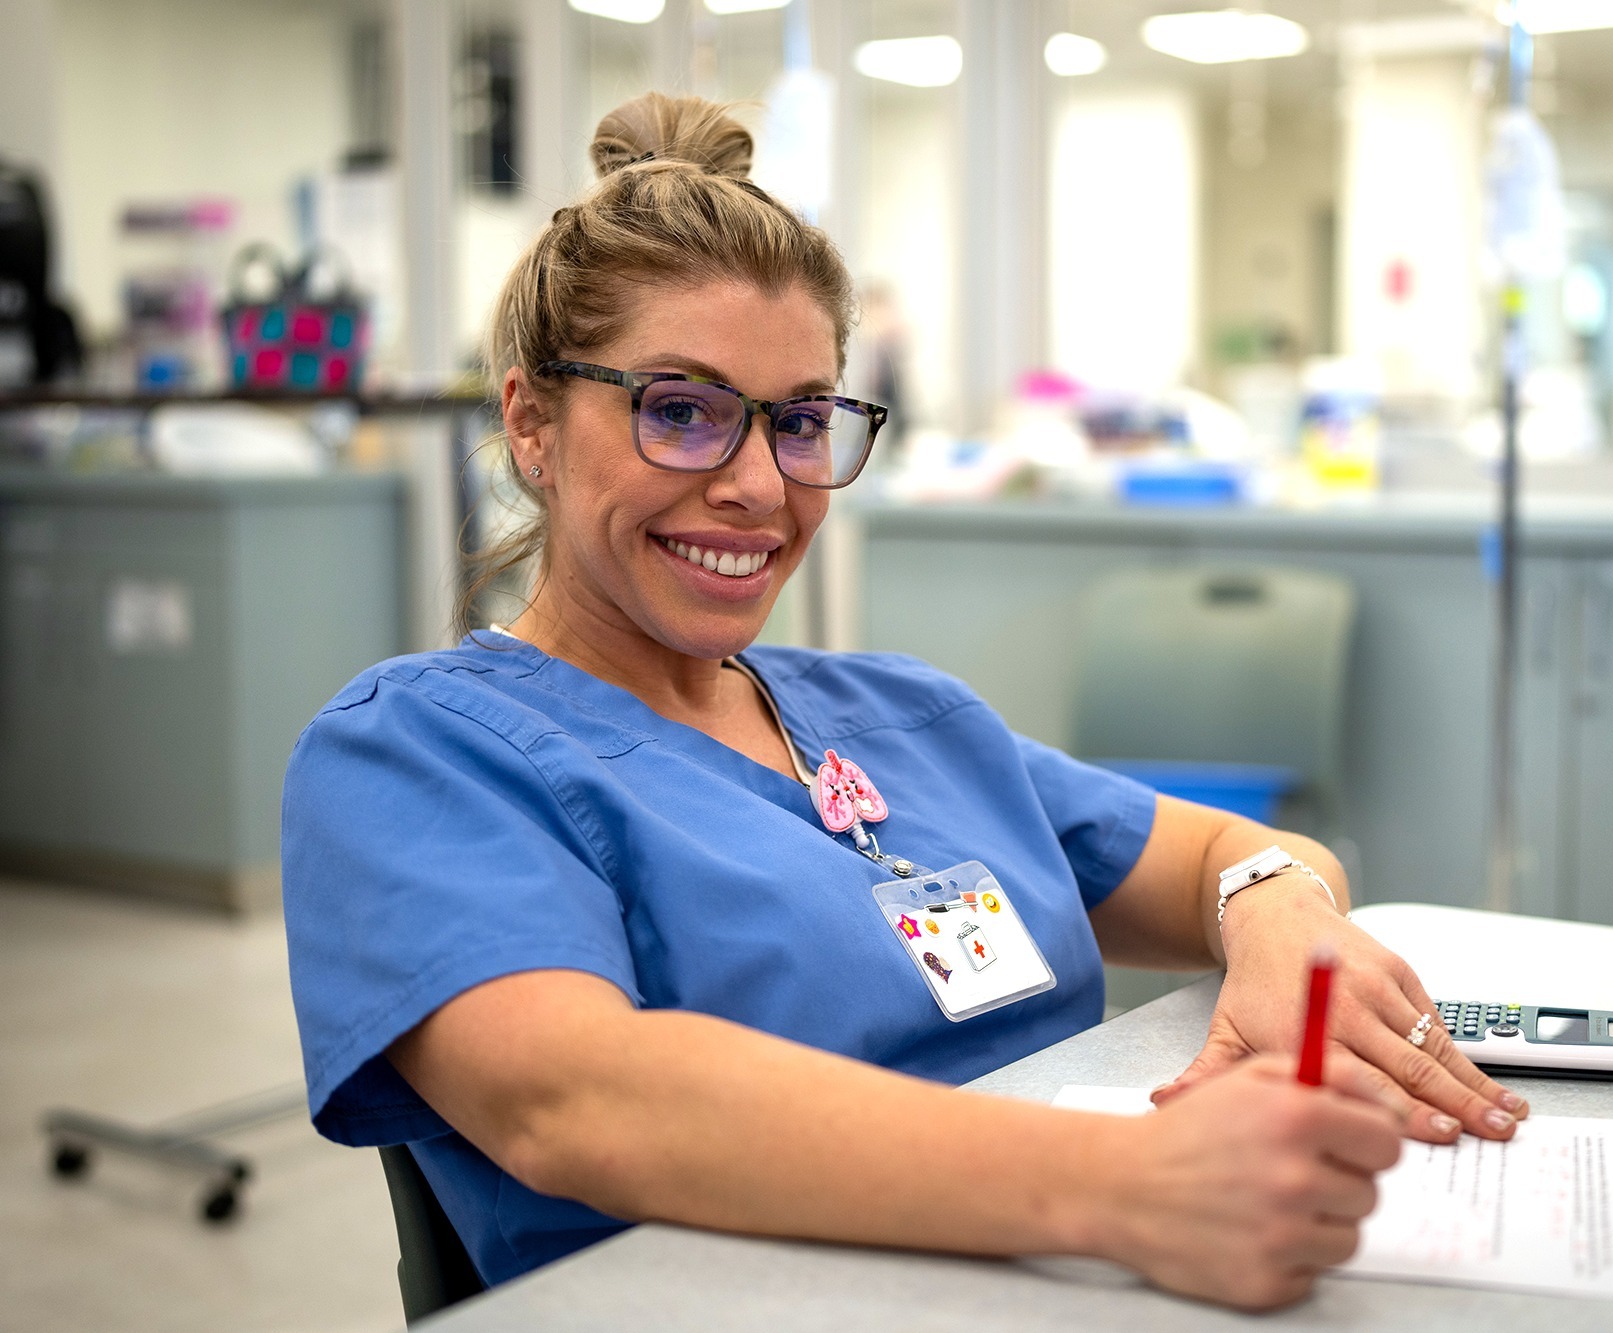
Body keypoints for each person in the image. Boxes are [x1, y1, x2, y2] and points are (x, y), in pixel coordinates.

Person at [281, 93, 1527, 1314]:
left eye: (803, 422)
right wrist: (1131, 1187)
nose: (758, 485)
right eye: (681, 412)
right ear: (532, 423)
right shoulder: (415, 751)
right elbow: (580, 1101)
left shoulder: (898, 714)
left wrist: (1275, 916)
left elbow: (1221, 849)